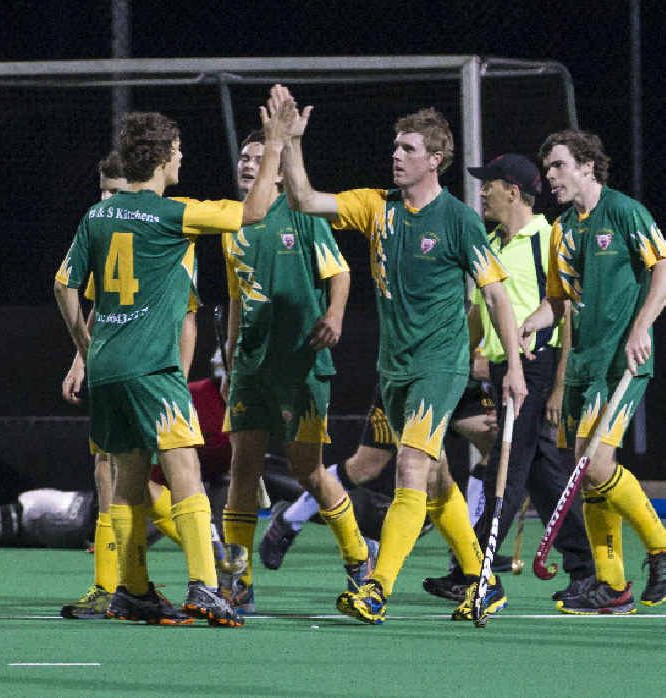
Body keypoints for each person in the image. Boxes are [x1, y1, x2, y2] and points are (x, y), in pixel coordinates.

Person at [273, 84, 527, 625]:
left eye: (408, 148)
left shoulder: (458, 219)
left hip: (440, 366)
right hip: (394, 371)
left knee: (410, 469)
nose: (396, 154)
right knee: (435, 480)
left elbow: (496, 293)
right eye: (396, 146)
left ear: (434, 160)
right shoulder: (376, 207)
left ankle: (377, 588)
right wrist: (292, 142)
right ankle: (486, 579)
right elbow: (302, 199)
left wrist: (515, 370)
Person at [55, 101, 290, 627]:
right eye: (178, 150)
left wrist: (85, 344)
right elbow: (252, 213)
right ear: (162, 158)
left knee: (128, 483)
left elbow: (63, 284)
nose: (181, 158)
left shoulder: (97, 214)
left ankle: (131, 590)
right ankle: (206, 587)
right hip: (151, 370)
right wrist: (274, 143)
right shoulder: (172, 215)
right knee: (185, 473)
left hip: (109, 367)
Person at [520, 130, 666, 614]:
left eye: (557, 166)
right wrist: (534, 321)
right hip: (583, 365)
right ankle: (612, 586)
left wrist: (641, 328)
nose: (549, 177)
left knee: (595, 465)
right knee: (584, 471)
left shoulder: (624, 211)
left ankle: (663, 545)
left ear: (588, 166)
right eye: (547, 168)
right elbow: (560, 300)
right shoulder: (562, 229)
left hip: (622, 360)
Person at [423, 153, 596, 605]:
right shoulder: (491, 245)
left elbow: (566, 315)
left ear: (513, 191)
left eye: (489, 185)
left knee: (510, 469)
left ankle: (474, 569)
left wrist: (559, 385)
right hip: (503, 371)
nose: (482, 193)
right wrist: (459, 353)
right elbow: (484, 313)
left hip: (537, 366)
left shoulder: (548, 237)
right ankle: (585, 569)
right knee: (539, 474)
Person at [221, 128, 373, 615]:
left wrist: (335, 315)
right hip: (250, 368)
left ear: (281, 170)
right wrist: (228, 361)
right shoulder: (232, 222)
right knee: (241, 470)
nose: (248, 165)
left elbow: (341, 272)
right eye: (244, 157)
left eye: (259, 158)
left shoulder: (302, 217)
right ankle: (237, 580)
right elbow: (234, 298)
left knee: (308, 469)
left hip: (301, 367)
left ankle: (358, 561)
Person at [258, 380, 498, 570]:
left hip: (460, 384)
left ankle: (471, 548)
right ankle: (289, 521)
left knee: (492, 441)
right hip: (415, 381)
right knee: (365, 467)